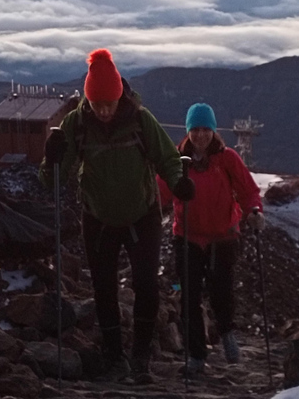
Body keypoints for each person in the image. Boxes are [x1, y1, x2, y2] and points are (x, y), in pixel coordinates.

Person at [40, 48, 195, 384]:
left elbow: (167, 157)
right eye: (98, 104)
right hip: (98, 218)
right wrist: (51, 159)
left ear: (120, 95)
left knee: (145, 286)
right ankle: (115, 356)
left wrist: (178, 182)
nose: (105, 110)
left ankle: (140, 357)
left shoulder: (140, 120)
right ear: (89, 100)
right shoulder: (77, 124)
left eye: (109, 103)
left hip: (142, 215)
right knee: (104, 288)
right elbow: (53, 177)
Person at [157, 103, 264, 375]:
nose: (201, 135)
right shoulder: (177, 160)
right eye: (196, 129)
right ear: (188, 130)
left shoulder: (227, 159)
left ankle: (227, 332)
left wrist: (254, 211)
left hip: (223, 237)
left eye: (206, 129)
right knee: (189, 297)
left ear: (214, 131)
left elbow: (248, 190)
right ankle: (196, 355)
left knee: (222, 293)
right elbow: (161, 193)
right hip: (188, 237)